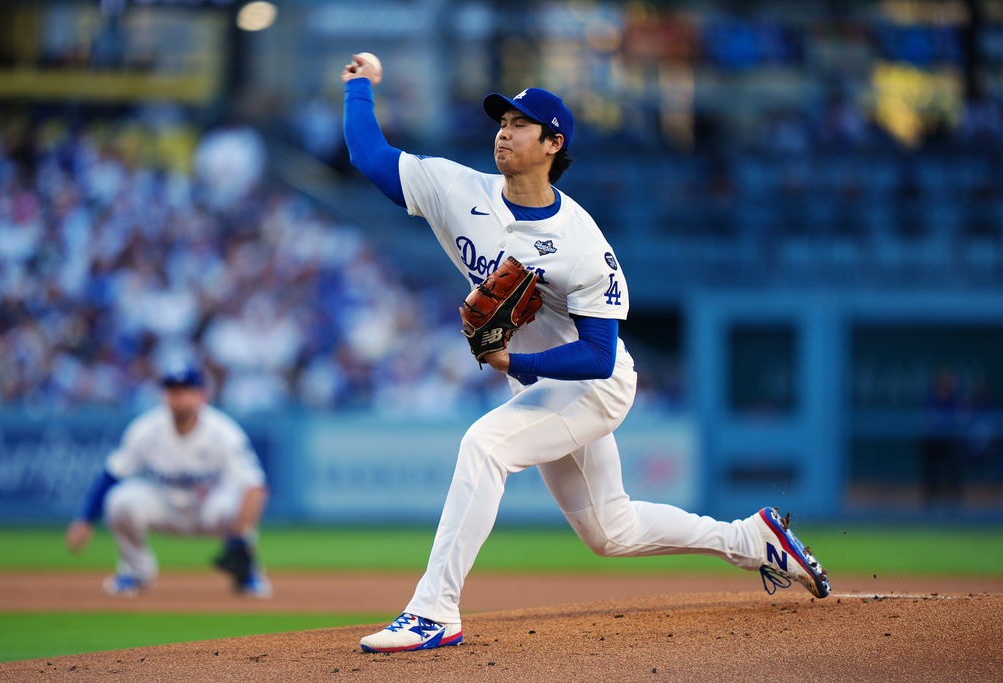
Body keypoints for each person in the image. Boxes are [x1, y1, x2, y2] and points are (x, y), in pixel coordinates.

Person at [340, 53, 830, 653]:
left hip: (591, 387)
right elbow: (367, 155)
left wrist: (515, 364)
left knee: (483, 447)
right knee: (610, 530)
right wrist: (361, 86)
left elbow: (599, 355)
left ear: (553, 142)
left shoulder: (581, 243)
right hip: (542, 387)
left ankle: (434, 611)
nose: (504, 131)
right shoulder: (454, 189)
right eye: (502, 121)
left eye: (520, 124)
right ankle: (754, 540)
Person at [65, 362, 272, 597]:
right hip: (163, 504)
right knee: (119, 500)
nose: (178, 398)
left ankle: (247, 573)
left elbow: (256, 487)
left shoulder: (223, 432)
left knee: (237, 502)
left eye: (185, 391)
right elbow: (113, 473)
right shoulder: (146, 428)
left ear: (201, 395)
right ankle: (136, 571)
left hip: (208, 506)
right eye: (173, 391)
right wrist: (84, 519)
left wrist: (237, 536)